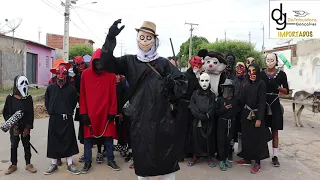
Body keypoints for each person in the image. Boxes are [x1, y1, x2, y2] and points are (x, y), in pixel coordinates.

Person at [101, 19, 187, 180]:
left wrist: (171, 84)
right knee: (142, 162)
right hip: (139, 120)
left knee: (167, 163)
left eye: (149, 38)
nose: (145, 41)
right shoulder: (129, 61)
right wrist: (110, 38)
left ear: (155, 40)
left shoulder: (164, 63)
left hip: (163, 120)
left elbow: (182, 85)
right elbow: (106, 64)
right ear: (137, 38)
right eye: (142, 37)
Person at [80, 48, 120, 173]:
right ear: (93, 62)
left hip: (105, 112)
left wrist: (112, 111)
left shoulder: (110, 75)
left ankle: (111, 159)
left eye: (101, 62)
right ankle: (87, 162)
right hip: (90, 113)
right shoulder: (85, 74)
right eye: (96, 62)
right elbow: (82, 95)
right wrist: (83, 113)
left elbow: (113, 95)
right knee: (88, 138)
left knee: (108, 137)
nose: (99, 65)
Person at [44, 62, 80, 175]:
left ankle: (70, 164)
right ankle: (53, 164)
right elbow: (47, 101)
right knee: (53, 141)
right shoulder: (50, 88)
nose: (60, 77)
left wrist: (68, 111)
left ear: (66, 75)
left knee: (68, 140)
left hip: (66, 118)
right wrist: (51, 111)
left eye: (63, 74)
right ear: (56, 75)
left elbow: (74, 102)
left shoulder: (71, 89)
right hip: (54, 118)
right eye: (58, 74)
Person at [236, 63, 272, 174]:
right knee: (246, 136)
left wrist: (259, 119)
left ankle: (257, 163)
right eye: (250, 71)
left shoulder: (261, 84)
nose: (252, 74)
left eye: (254, 71)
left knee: (257, 138)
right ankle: (247, 158)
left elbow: (262, 102)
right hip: (246, 113)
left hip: (257, 113)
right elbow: (241, 99)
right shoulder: (245, 83)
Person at [2, 75, 37, 175]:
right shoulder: (10, 98)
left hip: (25, 126)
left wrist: (28, 127)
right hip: (14, 127)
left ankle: (28, 164)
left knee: (26, 144)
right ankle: (13, 165)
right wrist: (12, 124)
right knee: (14, 145)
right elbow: (5, 113)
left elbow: (31, 114)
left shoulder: (28, 98)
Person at [260, 53, 289, 167]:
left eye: (272, 60)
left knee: (275, 130)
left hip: (275, 103)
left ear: (276, 61)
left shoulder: (281, 74)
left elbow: (286, 91)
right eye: (268, 60)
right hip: (263, 102)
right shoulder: (262, 74)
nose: (270, 62)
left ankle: (275, 156)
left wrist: (277, 87)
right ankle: (260, 154)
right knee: (261, 129)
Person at [175, 56, 202, 162]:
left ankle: (189, 152)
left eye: (199, 65)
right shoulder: (186, 76)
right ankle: (179, 154)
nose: (199, 67)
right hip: (184, 105)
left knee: (192, 130)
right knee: (181, 130)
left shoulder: (197, 75)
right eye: (197, 65)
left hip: (193, 106)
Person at [188, 73, 216, 168]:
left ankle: (209, 157)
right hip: (197, 121)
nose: (204, 83)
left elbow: (212, 107)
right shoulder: (195, 94)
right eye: (202, 80)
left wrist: (207, 116)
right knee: (196, 138)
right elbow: (193, 106)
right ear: (199, 81)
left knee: (208, 139)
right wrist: (199, 115)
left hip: (208, 122)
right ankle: (195, 157)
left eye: (206, 80)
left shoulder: (212, 95)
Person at [216, 79, 240, 171]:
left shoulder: (235, 100)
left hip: (231, 123)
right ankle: (221, 160)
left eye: (229, 88)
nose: (227, 90)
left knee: (228, 142)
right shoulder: (220, 99)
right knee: (221, 142)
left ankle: (226, 159)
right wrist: (224, 108)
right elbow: (216, 112)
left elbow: (238, 110)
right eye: (225, 88)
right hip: (222, 123)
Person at [72, 56, 88, 162]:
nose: (80, 66)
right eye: (77, 65)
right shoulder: (75, 78)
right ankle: (86, 151)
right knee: (83, 127)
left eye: (81, 63)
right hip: (81, 104)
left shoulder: (88, 74)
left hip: (90, 104)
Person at [234, 62, 248, 155]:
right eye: (237, 67)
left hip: (243, 109)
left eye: (241, 67)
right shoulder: (232, 79)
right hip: (233, 108)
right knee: (232, 129)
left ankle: (240, 150)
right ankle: (230, 149)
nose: (239, 69)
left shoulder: (247, 81)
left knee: (241, 130)